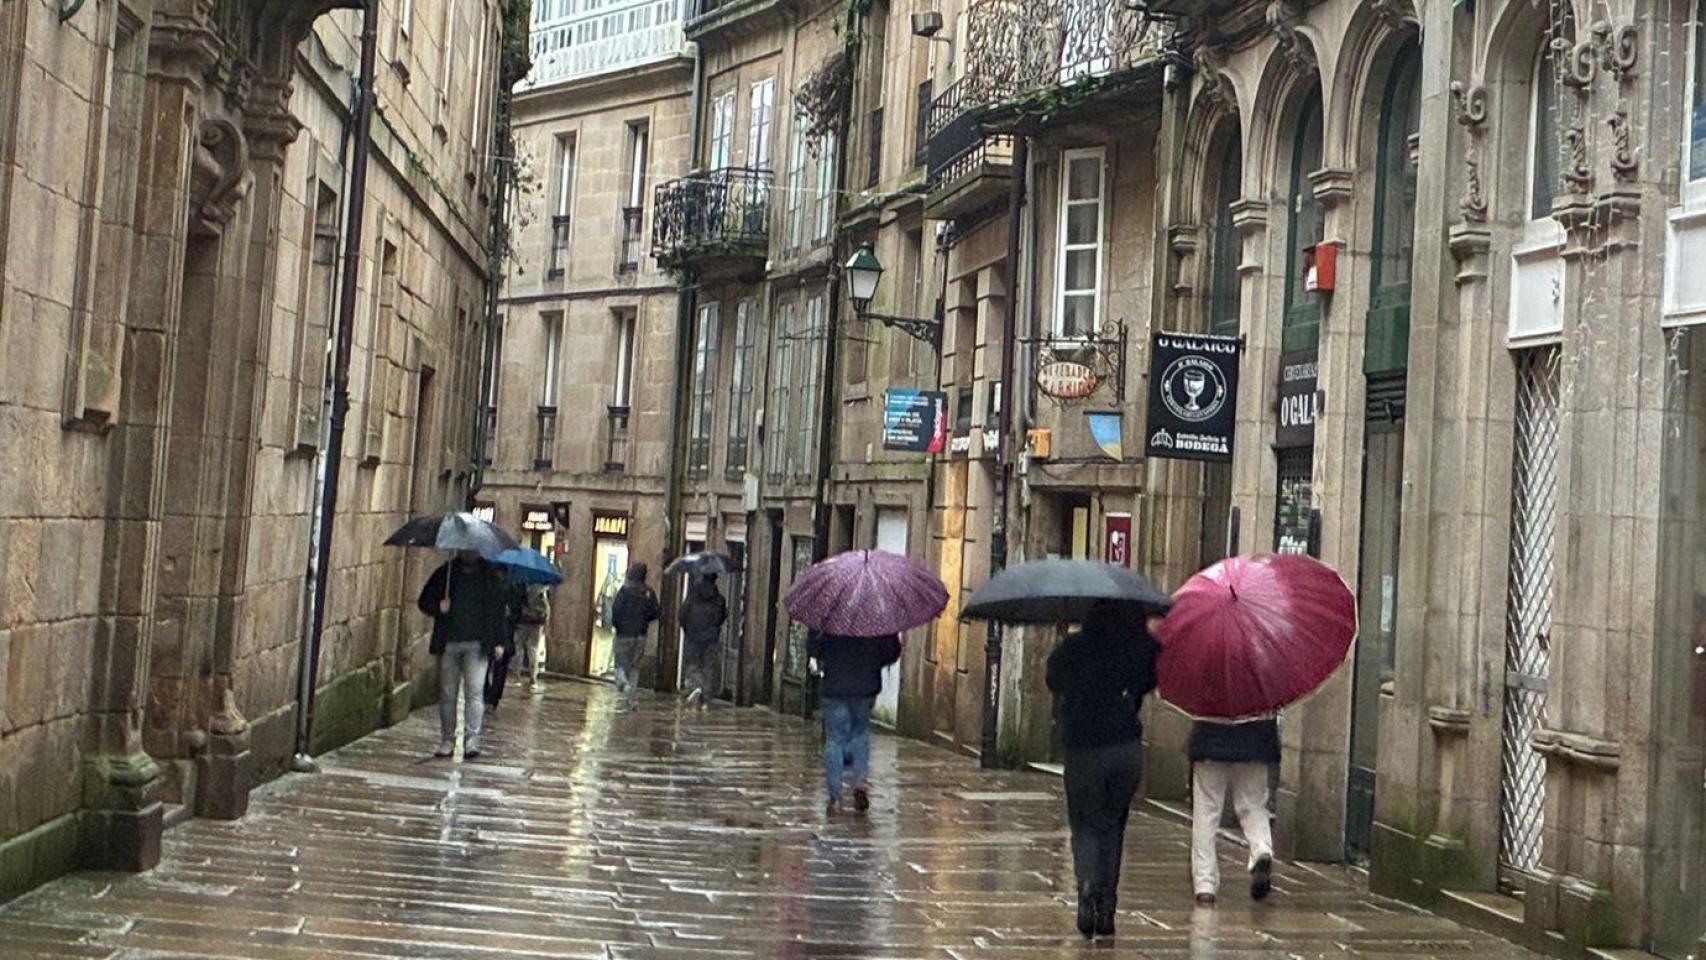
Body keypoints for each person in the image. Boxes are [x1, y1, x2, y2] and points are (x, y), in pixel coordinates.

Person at [1044, 604, 1161, 940]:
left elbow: (1053, 679)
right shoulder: (1142, 647)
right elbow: (1146, 682)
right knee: (1113, 826)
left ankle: (1087, 885)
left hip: (1084, 747)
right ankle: (1107, 908)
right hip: (1125, 748)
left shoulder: (1076, 647)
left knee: (1084, 824)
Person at [417, 552, 521, 760]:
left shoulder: (490, 577)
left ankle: (472, 739)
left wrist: (499, 641)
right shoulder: (445, 574)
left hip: (477, 645)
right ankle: (447, 739)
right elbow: (424, 601)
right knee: (448, 694)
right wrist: (439, 607)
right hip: (449, 642)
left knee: (474, 692)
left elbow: (497, 611)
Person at [807, 630, 901, 817]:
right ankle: (859, 782)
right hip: (865, 686)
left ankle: (835, 798)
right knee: (860, 734)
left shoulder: (829, 613)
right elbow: (892, 651)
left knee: (835, 739)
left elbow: (814, 649)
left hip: (835, 686)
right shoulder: (875, 616)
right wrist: (872, 661)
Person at [1188, 716, 1278, 906]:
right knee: (1253, 805)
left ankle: (1205, 884)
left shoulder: (1207, 683)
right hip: (1255, 740)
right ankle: (1261, 849)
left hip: (1209, 739)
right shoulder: (1259, 685)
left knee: (1206, 812)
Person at [608, 562, 661, 711]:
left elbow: (616, 611)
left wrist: (617, 625)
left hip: (624, 634)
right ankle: (632, 699)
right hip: (640, 635)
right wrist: (644, 621)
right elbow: (656, 612)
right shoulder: (648, 592)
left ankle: (623, 685)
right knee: (635, 668)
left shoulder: (624, 591)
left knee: (620, 665)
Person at [679, 574, 728, 707]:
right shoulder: (719, 599)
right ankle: (705, 697)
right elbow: (722, 617)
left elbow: (682, 614)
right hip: (711, 638)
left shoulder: (692, 596)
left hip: (693, 636)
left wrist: (687, 629)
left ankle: (697, 686)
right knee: (709, 667)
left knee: (693, 665)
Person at [516, 585, 551, 692]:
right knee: (533, 649)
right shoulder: (542, 589)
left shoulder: (522, 586)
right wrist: (546, 621)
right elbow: (547, 608)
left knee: (519, 648)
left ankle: (517, 676)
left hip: (523, 621)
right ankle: (533, 678)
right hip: (537, 623)